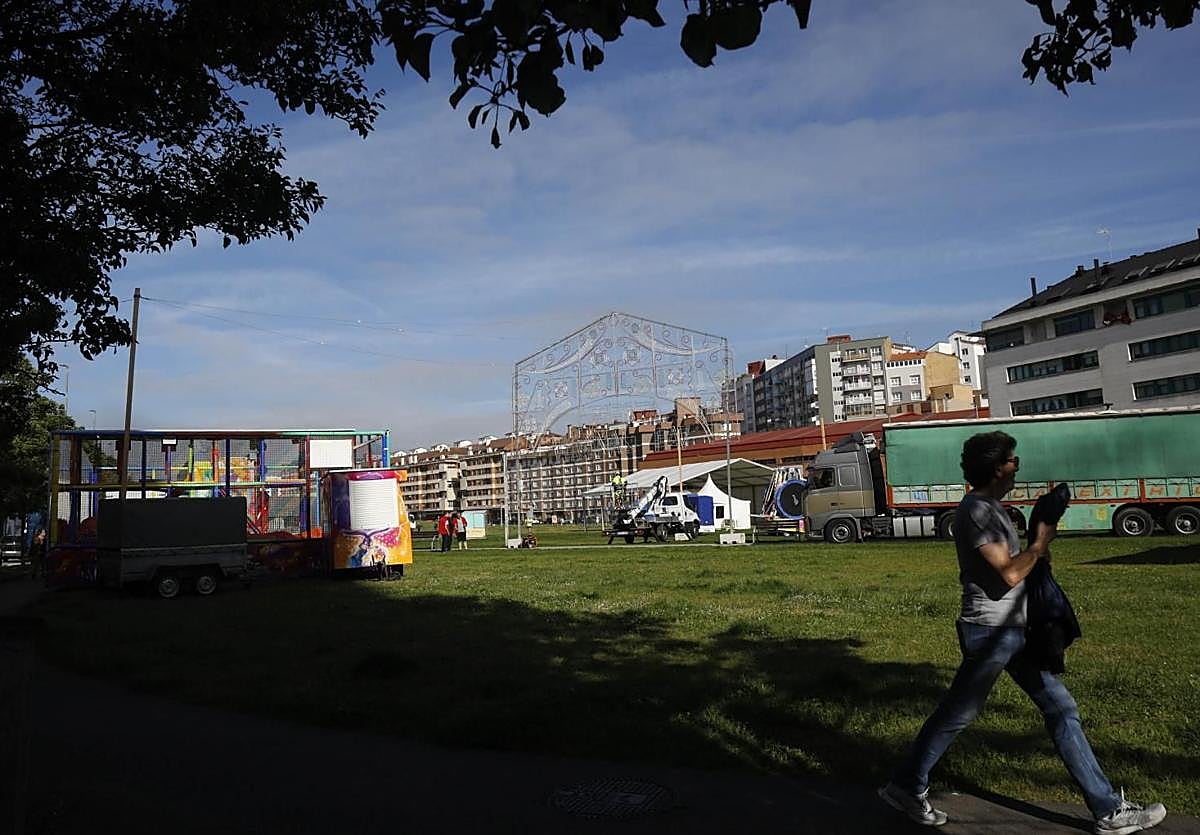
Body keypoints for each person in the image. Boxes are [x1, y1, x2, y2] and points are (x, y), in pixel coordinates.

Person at [879, 431, 1166, 834]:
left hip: (1012, 631)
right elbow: (1009, 573)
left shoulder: (991, 508)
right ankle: (906, 785)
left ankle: (1107, 810)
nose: (1018, 466)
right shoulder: (977, 511)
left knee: (1060, 709)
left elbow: (1021, 567)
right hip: (990, 632)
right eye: (1013, 460)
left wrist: (1039, 544)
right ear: (997, 468)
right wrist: (1039, 542)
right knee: (959, 713)